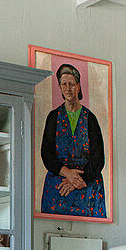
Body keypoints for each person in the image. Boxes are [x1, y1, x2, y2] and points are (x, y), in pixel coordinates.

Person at [39, 63, 106, 218]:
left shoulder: (90, 118)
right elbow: (46, 154)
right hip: (59, 183)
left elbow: (98, 158)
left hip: (87, 183)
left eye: (71, 84)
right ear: (60, 87)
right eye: (64, 84)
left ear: (78, 87)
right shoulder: (53, 117)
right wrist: (67, 173)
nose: (68, 88)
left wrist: (79, 179)